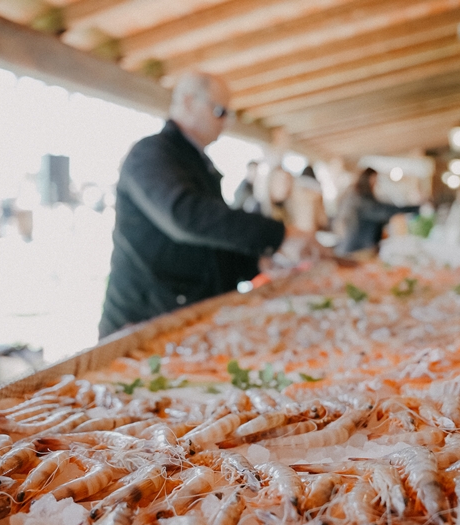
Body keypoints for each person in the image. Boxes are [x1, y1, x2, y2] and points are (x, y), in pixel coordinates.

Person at [99, 72, 320, 338]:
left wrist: (256, 263)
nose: (226, 122)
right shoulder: (150, 153)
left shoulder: (197, 162)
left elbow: (208, 246)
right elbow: (185, 216)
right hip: (143, 321)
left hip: (184, 316)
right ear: (189, 102)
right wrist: (280, 234)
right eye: (219, 111)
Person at [334, 167, 420, 256]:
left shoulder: (357, 195)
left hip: (357, 246)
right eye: (375, 179)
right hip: (357, 249)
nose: (376, 183)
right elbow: (383, 211)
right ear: (369, 179)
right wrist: (416, 208)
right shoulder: (360, 199)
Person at [289, 164, 328, 234]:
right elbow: (323, 220)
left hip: (294, 232)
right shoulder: (318, 196)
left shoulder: (293, 195)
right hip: (310, 233)